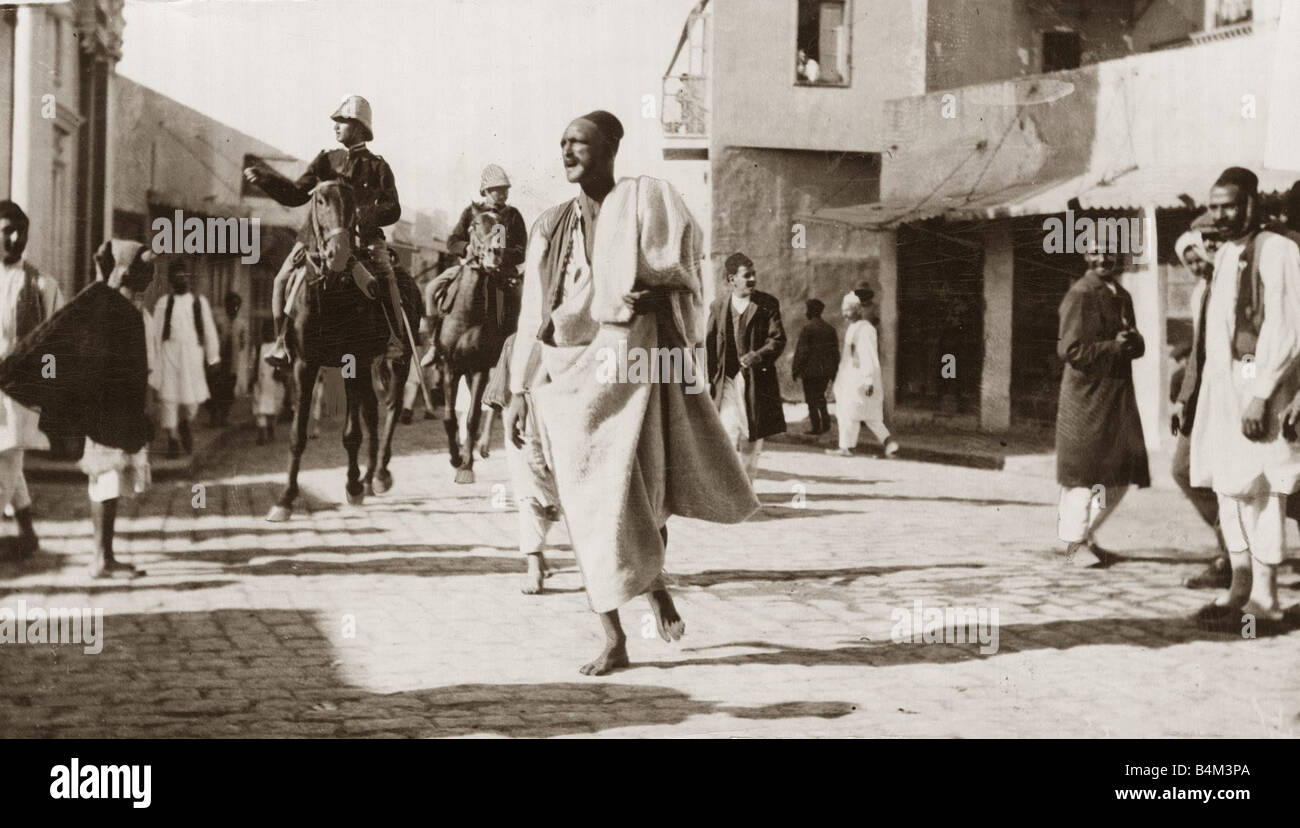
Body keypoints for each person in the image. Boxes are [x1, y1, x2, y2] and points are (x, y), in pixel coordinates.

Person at [502, 110, 758, 675]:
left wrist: (657, 299)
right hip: (573, 377)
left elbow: (690, 282)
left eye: (581, 143)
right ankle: (614, 635)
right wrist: (521, 385)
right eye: (563, 141)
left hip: (643, 366)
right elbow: (533, 311)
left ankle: (654, 579)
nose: (568, 151)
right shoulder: (551, 226)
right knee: (583, 499)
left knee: (647, 490)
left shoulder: (647, 206)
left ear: (612, 147)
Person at [1191, 167, 1300, 629]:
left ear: (1251, 203)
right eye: (1214, 206)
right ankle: (1239, 589)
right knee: (1229, 489)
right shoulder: (1226, 253)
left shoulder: (1279, 251)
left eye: (1229, 205)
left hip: (1261, 385)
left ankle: (1267, 598)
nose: (1220, 214)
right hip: (1224, 388)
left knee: (1263, 491)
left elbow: (1288, 327)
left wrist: (1260, 393)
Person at [243, 94, 404, 368]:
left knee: (387, 278)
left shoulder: (378, 166)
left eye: (342, 121)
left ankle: (393, 339)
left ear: (359, 126)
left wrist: (363, 215)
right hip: (316, 240)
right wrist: (266, 181)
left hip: (363, 240)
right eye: (337, 122)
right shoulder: (325, 160)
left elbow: (394, 208)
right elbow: (296, 195)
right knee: (281, 280)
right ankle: (282, 341)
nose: (336, 126)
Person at [1054, 244, 1149, 568]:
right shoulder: (1080, 294)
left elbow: (1132, 341)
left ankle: (1085, 536)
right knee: (1082, 472)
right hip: (1086, 396)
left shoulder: (1120, 293)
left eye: (1109, 252)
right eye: (1096, 252)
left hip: (1115, 394)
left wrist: (1134, 344)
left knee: (1121, 471)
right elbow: (1070, 350)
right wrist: (1113, 347)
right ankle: (1074, 543)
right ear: (1085, 255)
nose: (1103, 258)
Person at [1171, 227, 1232, 589]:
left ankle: (1231, 558)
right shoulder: (1200, 294)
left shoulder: (1230, 286)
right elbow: (1198, 351)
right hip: (1202, 398)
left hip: (1232, 397)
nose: (1195, 264)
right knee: (1183, 469)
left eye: (1198, 255)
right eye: (1188, 260)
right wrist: (1182, 400)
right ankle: (1233, 546)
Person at [0, 201, 61, 559]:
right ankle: (27, 530)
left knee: (6, 456)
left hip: (19, 391)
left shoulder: (41, 284)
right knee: (7, 457)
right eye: (5, 231)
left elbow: (60, 339)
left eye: (19, 230)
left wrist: (49, 383)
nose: (14, 237)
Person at [484, 332, 559, 594]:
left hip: (564, 416)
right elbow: (499, 391)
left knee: (556, 496)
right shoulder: (515, 341)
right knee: (529, 493)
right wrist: (484, 433)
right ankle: (534, 566)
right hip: (525, 420)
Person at [705, 252, 787, 484]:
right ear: (732, 280)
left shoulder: (767, 305)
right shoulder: (718, 307)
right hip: (727, 383)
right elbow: (710, 346)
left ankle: (748, 490)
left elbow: (778, 340)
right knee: (727, 436)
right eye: (746, 275)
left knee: (751, 441)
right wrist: (709, 381)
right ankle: (729, 493)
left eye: (754, 274)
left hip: (755, 384)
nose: (752, 279)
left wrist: (757, 356)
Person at [152, 262, 220, 459]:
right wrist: (154, 363)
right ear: (171, 281)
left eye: (185, 276)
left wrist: (213, 357)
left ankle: (184, 423)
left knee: (192, 402)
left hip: (192, 357)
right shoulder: (163, 303)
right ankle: (172, 439)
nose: (181, 279)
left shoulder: (199, 303)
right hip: (169, 355)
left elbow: (209, 331)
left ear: (189, 279)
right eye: (177, 276)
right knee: (169, 399)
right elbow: (156, 334)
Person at [826, 290, 899, 458]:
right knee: (857, 414)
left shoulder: (865, 329)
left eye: (848, 309)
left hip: (859, 379)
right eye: (843, 309)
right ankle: (887, 444)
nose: (844, 313)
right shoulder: (854, 328)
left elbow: (868, 355)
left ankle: (848, 447)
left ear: (858, 310)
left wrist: (868, 379)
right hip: (850, 378)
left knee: (856, 414)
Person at [791, 298, 838, 435]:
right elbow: (835, 352)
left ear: (811, 311)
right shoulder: (830, 329)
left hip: (810, 372)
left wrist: (796, 369)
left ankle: (816, 427)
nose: (806, 312)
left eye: (807, 309)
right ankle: (826, 423)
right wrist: (834, 372)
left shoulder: (808, 328)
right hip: (825, 372)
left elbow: (802, 351)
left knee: (811, 399)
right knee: (821, 397)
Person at [206, 291, 247, 428]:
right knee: (214, 389)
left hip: (232, 363)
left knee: (228, 390)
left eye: (237, 306)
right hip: (218, 360)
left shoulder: (241, 324)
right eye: (231, 305)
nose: (234, 308)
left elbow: (243, 344)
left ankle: (224, 417)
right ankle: (213, 417)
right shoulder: (219, 321)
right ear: (226, 305)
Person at [251, 319, 286, 445]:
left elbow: (282, 364)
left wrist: (280, 372)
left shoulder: (278, 347)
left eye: (270, 331)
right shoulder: (259, 347)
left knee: (273, 408)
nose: (268, 333)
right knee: (260, 409)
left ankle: (270, 430)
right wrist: (253, 378)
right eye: (265, 331)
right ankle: (262, 434)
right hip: (261, 381)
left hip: (274, 382)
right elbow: (253, 363)